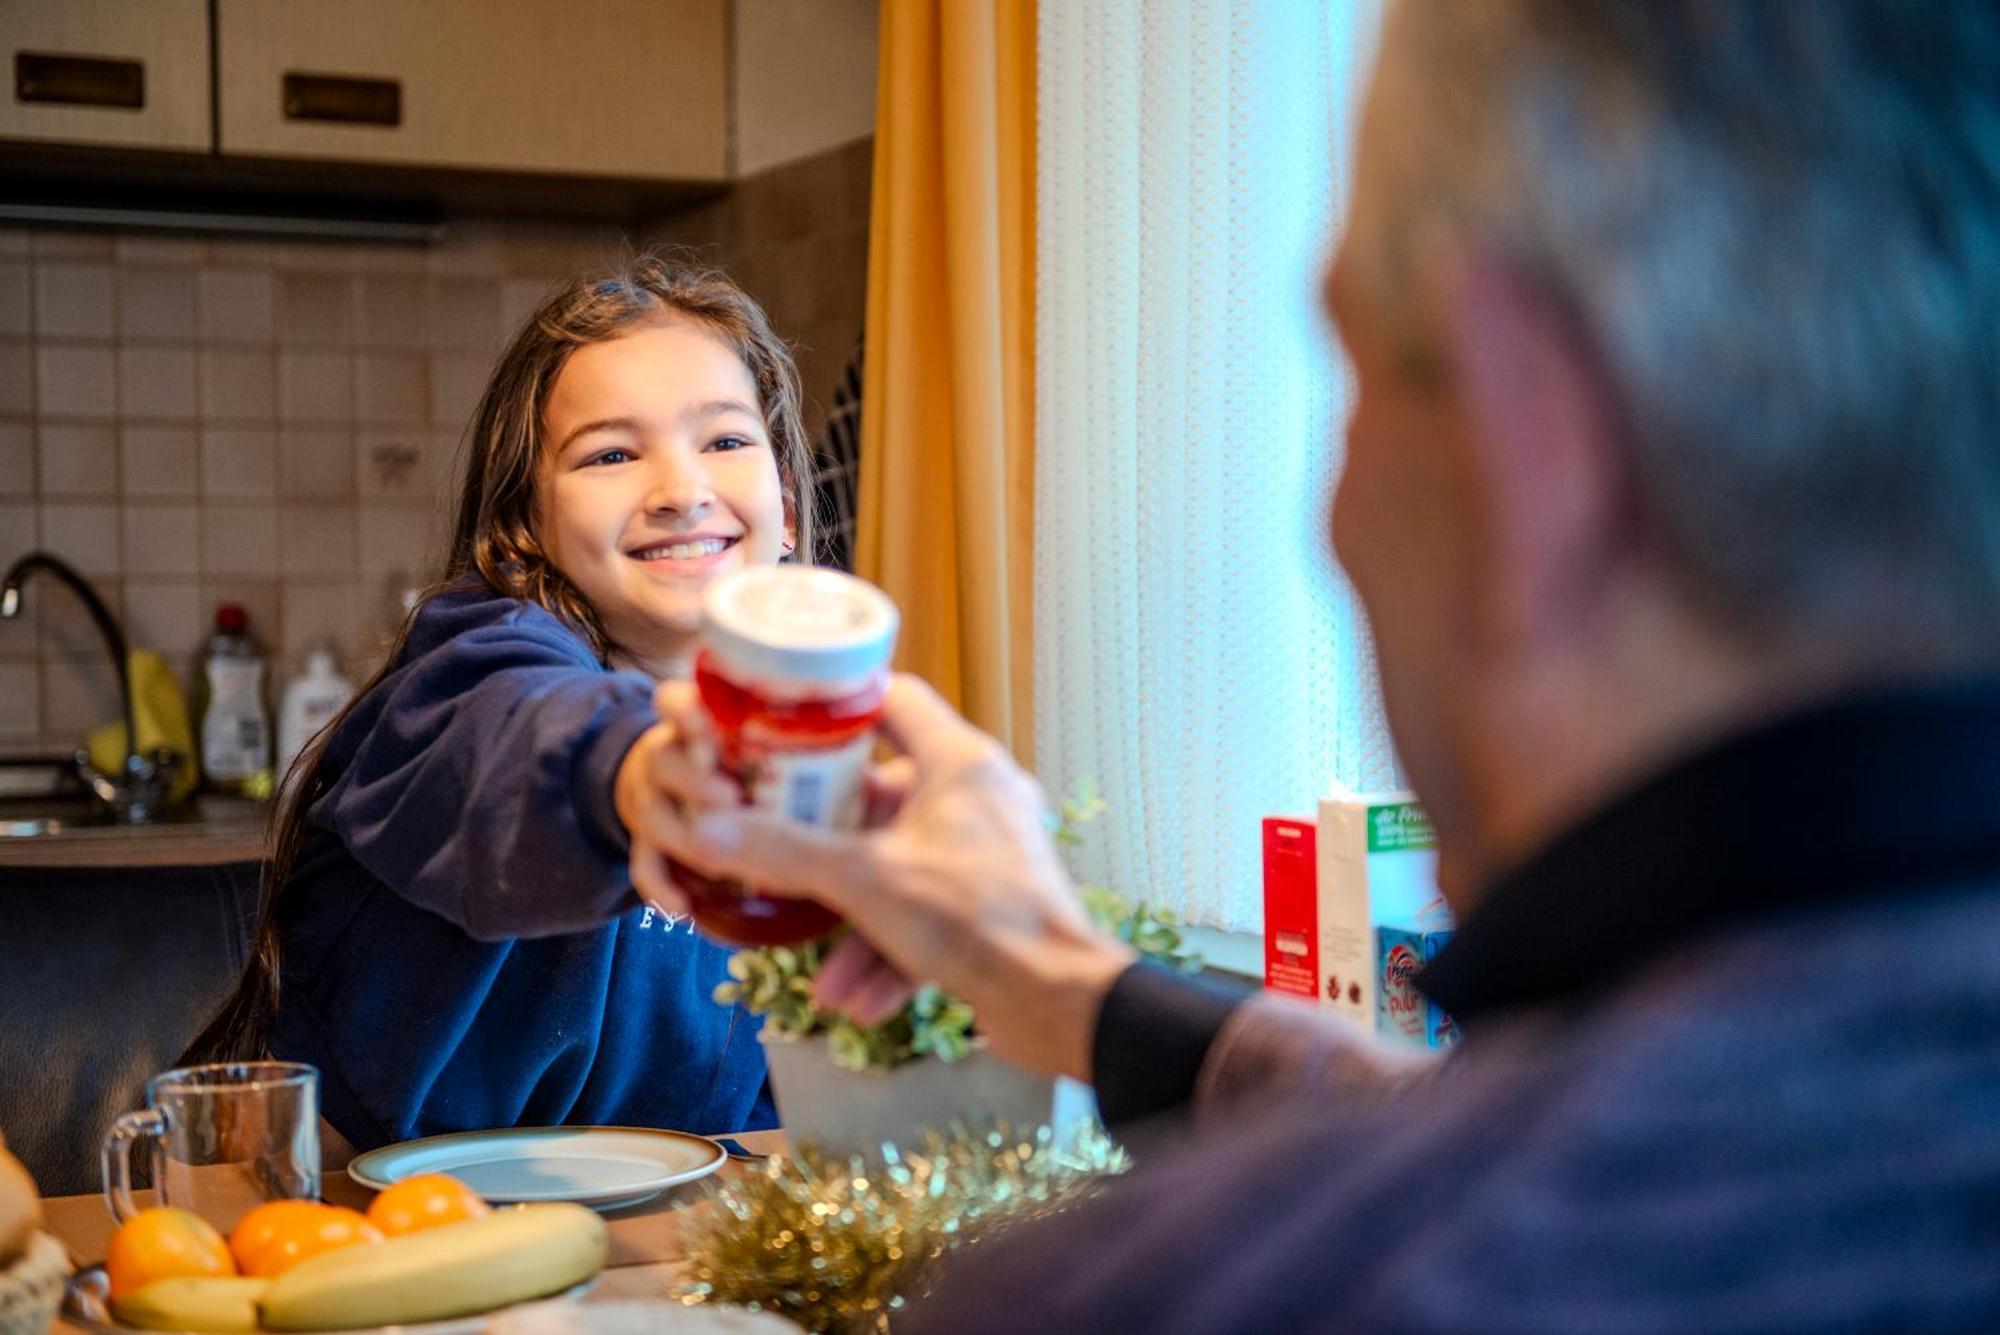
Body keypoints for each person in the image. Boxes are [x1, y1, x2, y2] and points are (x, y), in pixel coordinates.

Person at [635, 1, 2000, 1329]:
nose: (1334, 507)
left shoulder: (1180, 1293)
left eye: (1351, 373)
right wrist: (1073, 984)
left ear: (1536, 445)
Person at [182, 256, 814, 1152]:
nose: (681, 490)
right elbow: (516, 745)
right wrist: (644, 771)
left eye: (724, 441)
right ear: (526, 527)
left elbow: (755, 1104)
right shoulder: (474, 666)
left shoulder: (795, 748)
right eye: (613, 453)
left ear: (784, 508)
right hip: (362, 1227)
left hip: (640, 1261)